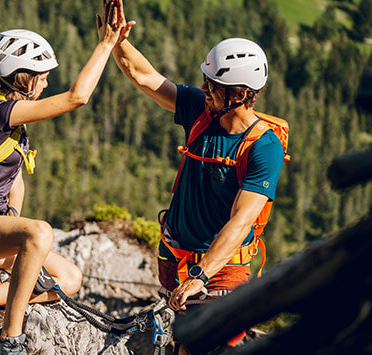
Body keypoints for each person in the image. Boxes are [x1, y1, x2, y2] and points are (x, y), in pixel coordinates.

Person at [0, 4, 126, 355]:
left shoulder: (11, 119)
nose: (47, 81)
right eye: (42, 75)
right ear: (24, 76)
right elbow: (77, 97)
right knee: (39, 231)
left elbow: (15, 180)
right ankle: (9, 340)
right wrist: (105, 45)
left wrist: (10, 221)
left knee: (69, 279)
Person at [105, 0, 285, 351]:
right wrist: (117, 41)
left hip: (222, 272)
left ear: (240, 95)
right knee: (178, 339)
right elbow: (144, 77)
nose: (204, 88)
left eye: (212, 84)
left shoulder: (263, 147)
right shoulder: (201, 111)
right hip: (174, 257)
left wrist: (201, 276)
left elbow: (242, 220)